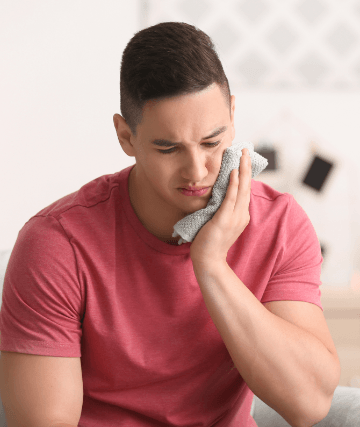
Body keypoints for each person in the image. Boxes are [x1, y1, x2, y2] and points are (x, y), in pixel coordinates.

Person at [0, 22, 340, 427]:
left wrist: (211, 265)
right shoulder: (58, 243)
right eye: (168, 148)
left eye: (212, 143)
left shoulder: (278, 224)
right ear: (126, 136)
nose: (197, 171)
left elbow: (310, 404)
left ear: (232, 114)